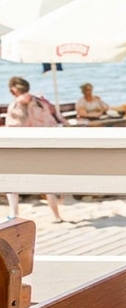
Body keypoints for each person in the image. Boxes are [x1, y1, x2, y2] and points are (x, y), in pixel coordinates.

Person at [5, 77, 64, 222]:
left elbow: (12, 129)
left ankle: (14, 214)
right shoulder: (42, 102)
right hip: (45, 146)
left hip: (24, 148)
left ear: (14, 90)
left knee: (10, 180)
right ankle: (56, 215)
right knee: (47, 181)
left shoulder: (16, 105)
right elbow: (55, 122)